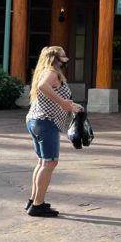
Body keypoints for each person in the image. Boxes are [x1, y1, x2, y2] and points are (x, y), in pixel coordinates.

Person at [25, 45, 83, 218]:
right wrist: (63, 103)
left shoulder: (43, 71)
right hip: (46, 122)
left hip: (36, 120)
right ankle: (38, 205)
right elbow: (43, 87)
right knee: (50, 163)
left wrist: (72, 106)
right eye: (62, 57)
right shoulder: (52, 72)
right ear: (55, 59)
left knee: (42, 162)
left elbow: (48, 93)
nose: (65, 60)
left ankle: (34, 200)